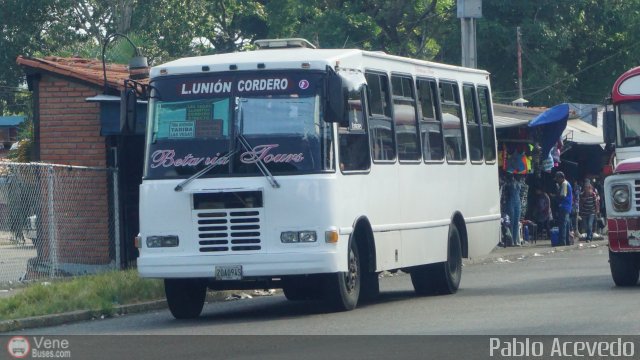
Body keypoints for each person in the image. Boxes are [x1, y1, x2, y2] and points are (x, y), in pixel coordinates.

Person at [504, 173, 522, 246]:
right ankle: (511, 241)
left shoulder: (518, 182)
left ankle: (514, 240)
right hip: (511, 202)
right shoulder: (508, 184)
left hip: (517, 202)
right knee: (511, 221)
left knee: (516, 221)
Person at [554, 171, 573, 246]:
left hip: (564, 206)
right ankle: (567, 241)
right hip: (568, 206)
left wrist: (556, 193)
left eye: (558, 179)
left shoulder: (564, 184)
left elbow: (563, 195)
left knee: (563, 225)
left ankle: (562, 241)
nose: (557, 181)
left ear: (561, 178)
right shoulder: (566, 183)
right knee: (567, 225)